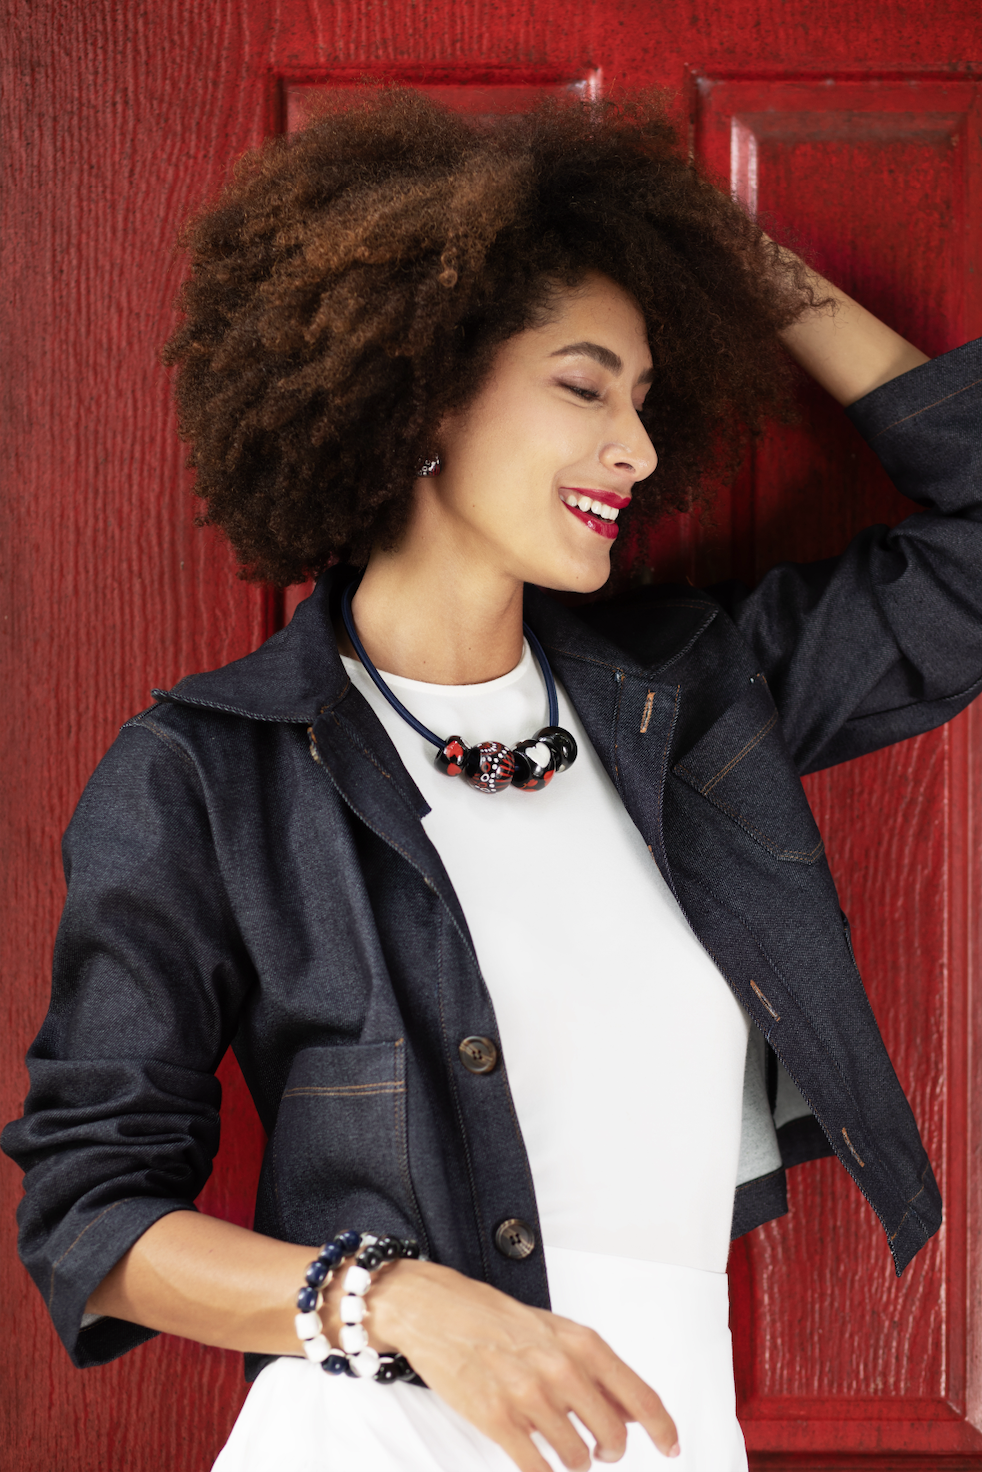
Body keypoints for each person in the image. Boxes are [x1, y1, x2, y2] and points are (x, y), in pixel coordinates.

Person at [3, 90, 980, 1472]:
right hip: (372, 1430)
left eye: (645, 398)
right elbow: (89, 1214)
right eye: (584, 386)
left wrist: (732, 260)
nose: (637, 449)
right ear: (423, 393)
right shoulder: (209, 775)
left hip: (669, 1435)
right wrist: (403, 1302)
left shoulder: (698, 700)